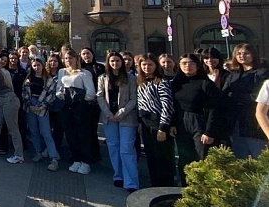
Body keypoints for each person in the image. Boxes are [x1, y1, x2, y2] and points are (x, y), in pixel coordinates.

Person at [172, 53, 229, 184]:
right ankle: (186, 186)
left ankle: (203, 187)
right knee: (184, 157)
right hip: (182, 121)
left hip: (200, 122)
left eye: (191, 63)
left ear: (198, 66)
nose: (188, 66)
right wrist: (172, 124)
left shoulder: (205, 84)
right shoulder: (177, 83)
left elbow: (214, 109)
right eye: (184, 63)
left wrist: (209, 131)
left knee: (201, 156)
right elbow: (174, 106)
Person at [97, 52, 139, 192]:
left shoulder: (130, 78)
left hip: (126, 118)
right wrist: (109, 114)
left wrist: (121, 113)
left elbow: (134, 98)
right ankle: (118, 175)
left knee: (126, 149)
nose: (115, 63)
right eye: (112, 61)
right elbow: (100, 97)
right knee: (113, 147)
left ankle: (131, 182)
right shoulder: (103, 78)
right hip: (109, 118)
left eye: (117, 61)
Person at [136, 53, 176, 187]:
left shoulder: (162, 82)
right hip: (146, 124)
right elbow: (141, 103)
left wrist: (163, 128)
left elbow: (167, 106)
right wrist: (140, 123)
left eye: (150, 64)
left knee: (163, 159)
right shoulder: (141, 82)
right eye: (144, 64)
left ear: (156, 65)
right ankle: (155, 186)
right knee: (151, 157)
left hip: (158, 124)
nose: (147, 67)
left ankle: (166, 187)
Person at [223, 43, 269, 158]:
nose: (242, 56)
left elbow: (257, 96)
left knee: (259, 157)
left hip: (254, 121)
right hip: (235, 121)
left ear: (253, 55)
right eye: (239, 53)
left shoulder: (262, 73)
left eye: (246, 53)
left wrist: (234, 96)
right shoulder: (233, 74)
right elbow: (224, 95)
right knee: (239, 159)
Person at [56, 49, 97, 175]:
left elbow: (91, 93)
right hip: (66, 106)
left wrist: (77, 96)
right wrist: (62, 95)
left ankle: (85, 161)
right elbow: (58, 88)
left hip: (80, 107)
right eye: (66, 58)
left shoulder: (84, 73)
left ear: (77, 59)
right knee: (70, 134)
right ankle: (76, 158)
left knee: (82, 134)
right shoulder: (62, 72)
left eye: (71, 58)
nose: (68, 61)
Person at [22, 59, 61, 171]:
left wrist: (41, 106)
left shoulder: (48, 80)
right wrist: (29, 104)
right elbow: (24, 92)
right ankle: (38, 152)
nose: (36, 68)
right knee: (34, 131)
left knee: (46, 132)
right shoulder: (28, 79)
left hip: (42, 107)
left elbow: (51, 95)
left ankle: (53, 157)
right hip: (30, 106)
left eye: (38, 65)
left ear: (43, 66)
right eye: (34, 65)